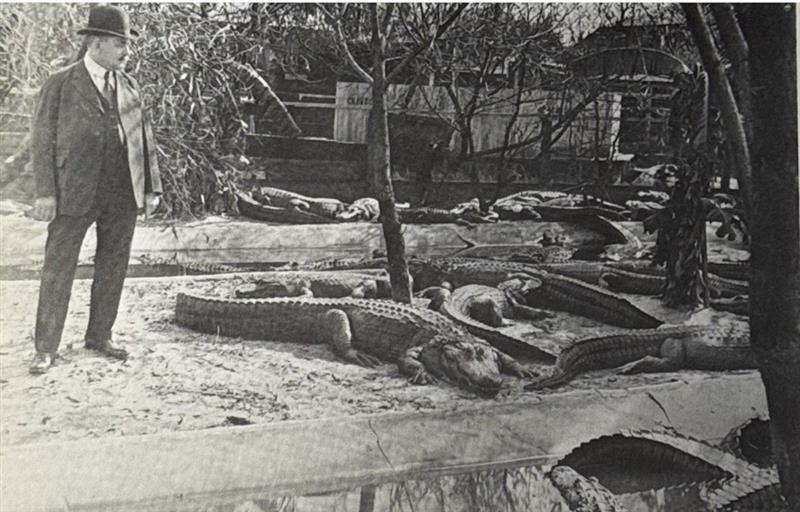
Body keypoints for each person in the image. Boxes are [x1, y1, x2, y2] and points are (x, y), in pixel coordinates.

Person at [28, 5, 162, 374]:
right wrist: (45, 193)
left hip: (122, 194)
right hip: (74, 192)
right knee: (58, 269)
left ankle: (100, 336)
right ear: (97, 43)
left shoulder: (130, 86)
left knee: (113, 266)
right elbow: (41, 141)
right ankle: (46, 348)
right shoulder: (60, 83)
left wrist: (151, 188)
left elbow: (143, 139)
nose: (127, 52)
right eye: (121, 44)